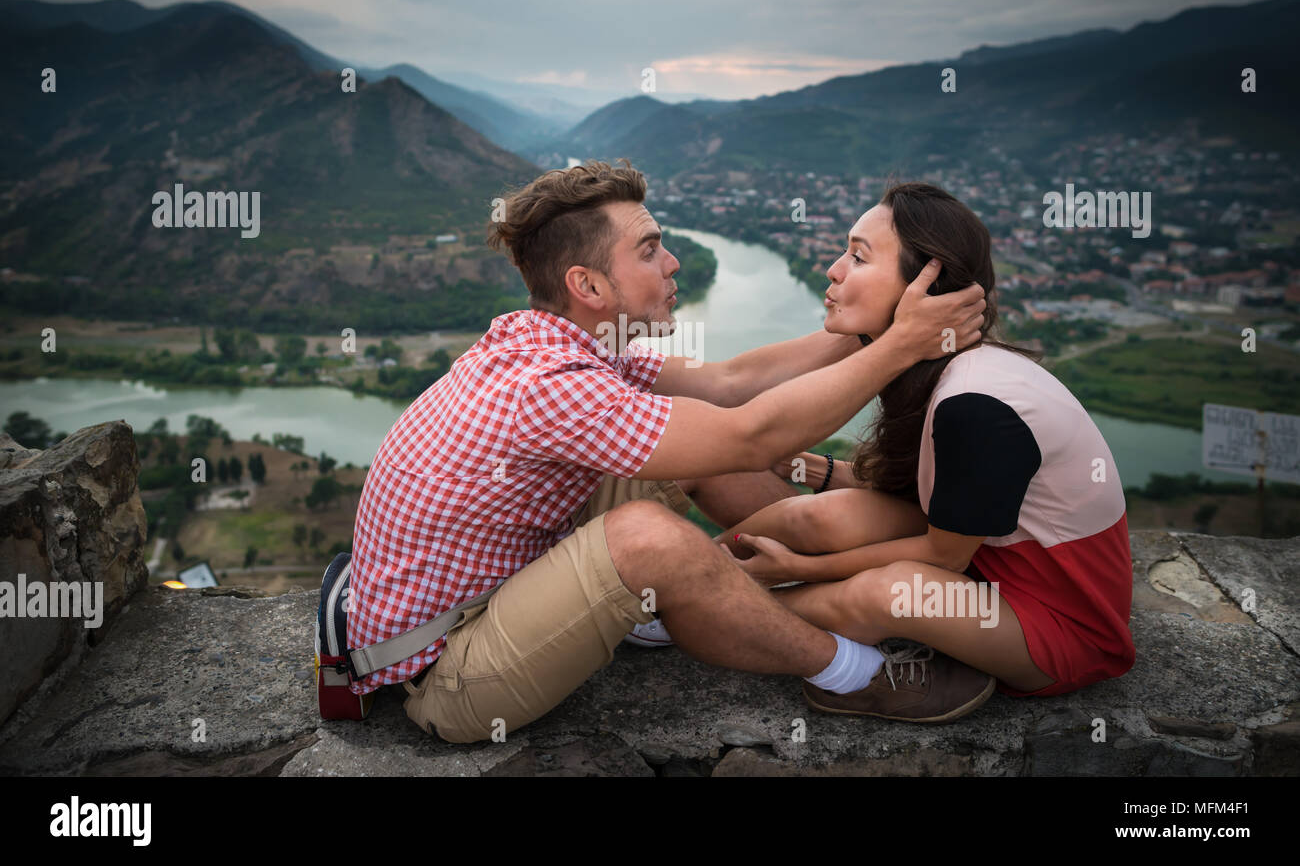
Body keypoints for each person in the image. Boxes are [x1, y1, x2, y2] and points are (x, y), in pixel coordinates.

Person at [347, 160, 990, 743]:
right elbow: (754, 434)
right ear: (590, 286)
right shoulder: (549, 386)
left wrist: (878, 327)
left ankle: (837, 582)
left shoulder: (573, 344)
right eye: (650, 251)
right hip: (446, 671)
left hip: (503, 591)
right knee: (651, 535)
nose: (674, 263)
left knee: (701, 449)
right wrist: (901, 348)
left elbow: (731, 384)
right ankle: (856, 675)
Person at [713, 181, 1136, 721]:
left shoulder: (976, 404)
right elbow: (922, 500)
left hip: (1061, 629)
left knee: (888, 592)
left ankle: (702, 609)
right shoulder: (945, 369)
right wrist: (812, 470)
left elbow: (942, 557)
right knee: (829, 513)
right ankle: (704, 572)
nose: (833, 269)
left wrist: (797, 569)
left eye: (858, 257)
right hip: (991, 573)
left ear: (925, 286)